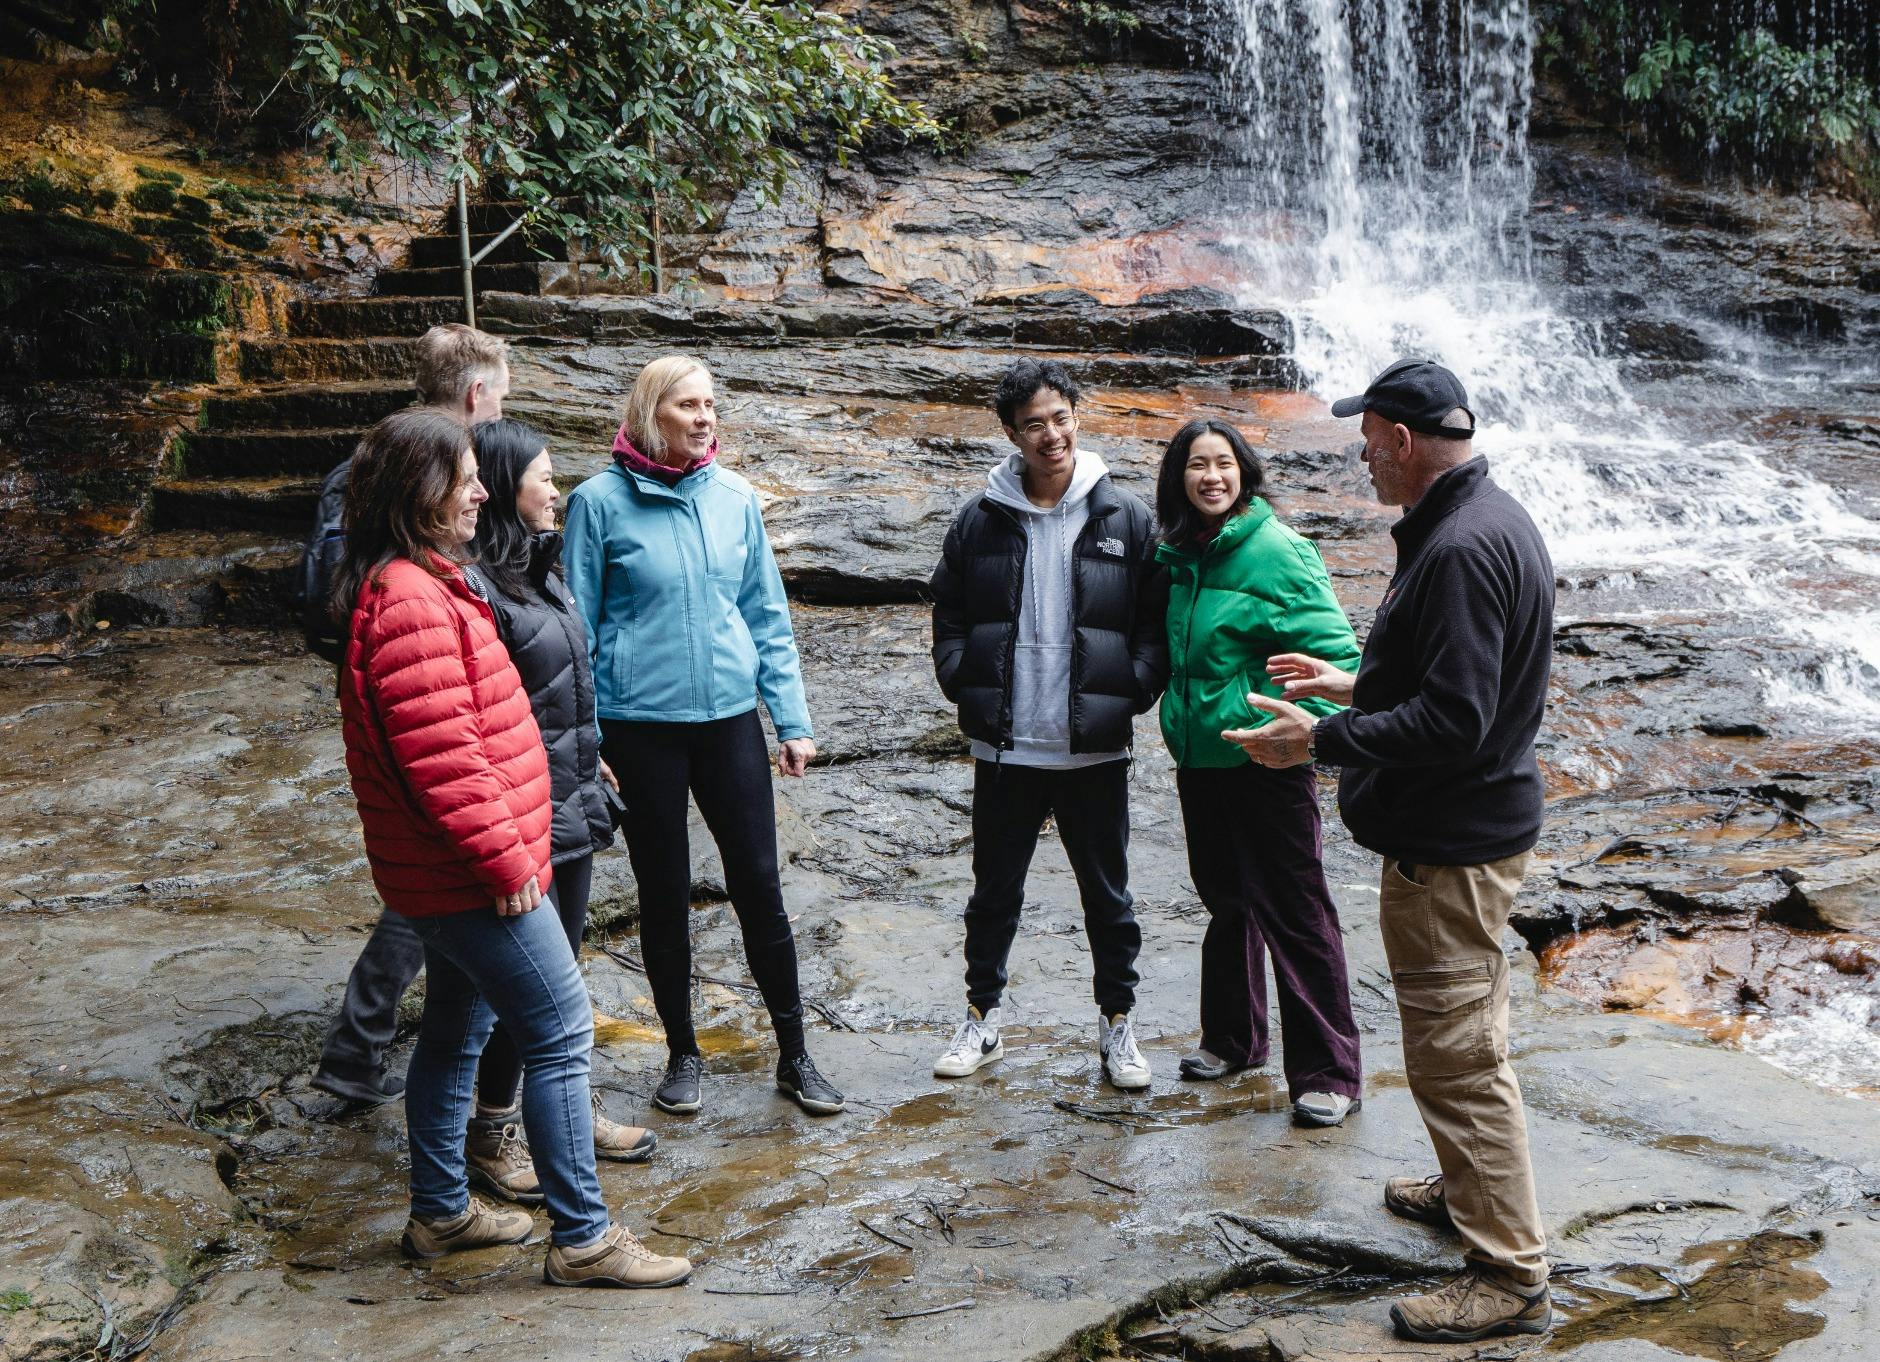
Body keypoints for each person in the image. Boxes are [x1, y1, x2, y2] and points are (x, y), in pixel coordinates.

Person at [1230, 359, 1555, 1342]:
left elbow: (1455, 720)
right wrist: (1350, 681)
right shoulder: (1491, 519)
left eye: (1365, 438)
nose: (1361, 456)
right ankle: (1467, 1194)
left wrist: (1315, 740)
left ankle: (1508, 1275)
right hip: (1475, 833)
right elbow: (1462, 686)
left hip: (1449, 846)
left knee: (1456, 1061)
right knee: (1463, 1036)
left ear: (1401, 438)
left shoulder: (1456, 548)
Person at [333, 405, 688, 1287]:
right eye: (465, 478)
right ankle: (583, 1238)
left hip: (454, 872)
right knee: (562, 1030)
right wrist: (509, 865)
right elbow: (446, 762)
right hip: (470, 875)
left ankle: (443, 1214)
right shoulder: (411, 600)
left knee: (455, 1030)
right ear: (423, 491)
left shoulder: (424, 579)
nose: (481, 491)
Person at [563, 356, 842, 1117]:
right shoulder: (597, 504)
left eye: (711, 405)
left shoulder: (736, 498)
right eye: (688, 405)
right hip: (638, 730)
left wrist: (792, 721)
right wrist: (588, 744)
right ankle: (682, 1054)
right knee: (663, 893)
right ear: (652, 412)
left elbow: (766, 615)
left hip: (728, 723)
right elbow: (574, 635)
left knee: (759, 883)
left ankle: (795, 1054)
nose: (705, 417)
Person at [928, 359, 1168, 1090]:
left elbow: (1154, 624)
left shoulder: (1124, 515)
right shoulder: (979, 519)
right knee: (992, 892)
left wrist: (1131, 691)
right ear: (1011, 433)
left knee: (1110, 897)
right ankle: (982, 1017)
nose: (1051, 434)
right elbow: (950, 616)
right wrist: (961, 681)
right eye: (1034, 423)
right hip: (1006, 746)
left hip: (1093, 746)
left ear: (1076, 418)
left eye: (1060, 417)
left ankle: (1117, 1025)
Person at [449, 417, 658, 1206]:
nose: (556, 489)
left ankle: (562, 1113)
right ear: (506, 488)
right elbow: (485, 717)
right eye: (543, 475)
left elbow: (567, 679)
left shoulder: (545, 567)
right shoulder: (480, 589)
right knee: (532, 985)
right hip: (520, 807)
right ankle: (494, 1130)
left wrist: (590, 749)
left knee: (563, 965)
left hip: (569, 791)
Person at [310, 323, 513, 1110]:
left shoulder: (371, 461)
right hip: (423, 690)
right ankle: (360, 1048)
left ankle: (361, 1050)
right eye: (499, 396)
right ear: (475, 394)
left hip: (416, 686)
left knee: (427, 872)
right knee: (432, 873)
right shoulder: (435, 473)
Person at [1152, 419, 1365, 1126]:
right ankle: (1234, 1040)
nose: (1211, 477)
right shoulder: (1183, 554)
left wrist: (1308, 732)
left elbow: (1342, 660)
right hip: (1203, 757)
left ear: (1243, 471)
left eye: (1223, 464)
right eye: (1196, 466)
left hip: (1268, 758)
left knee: (1295, 909)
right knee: (1226, 901)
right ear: (1178, 479)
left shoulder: (1278, 551)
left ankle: (1329, 1073)